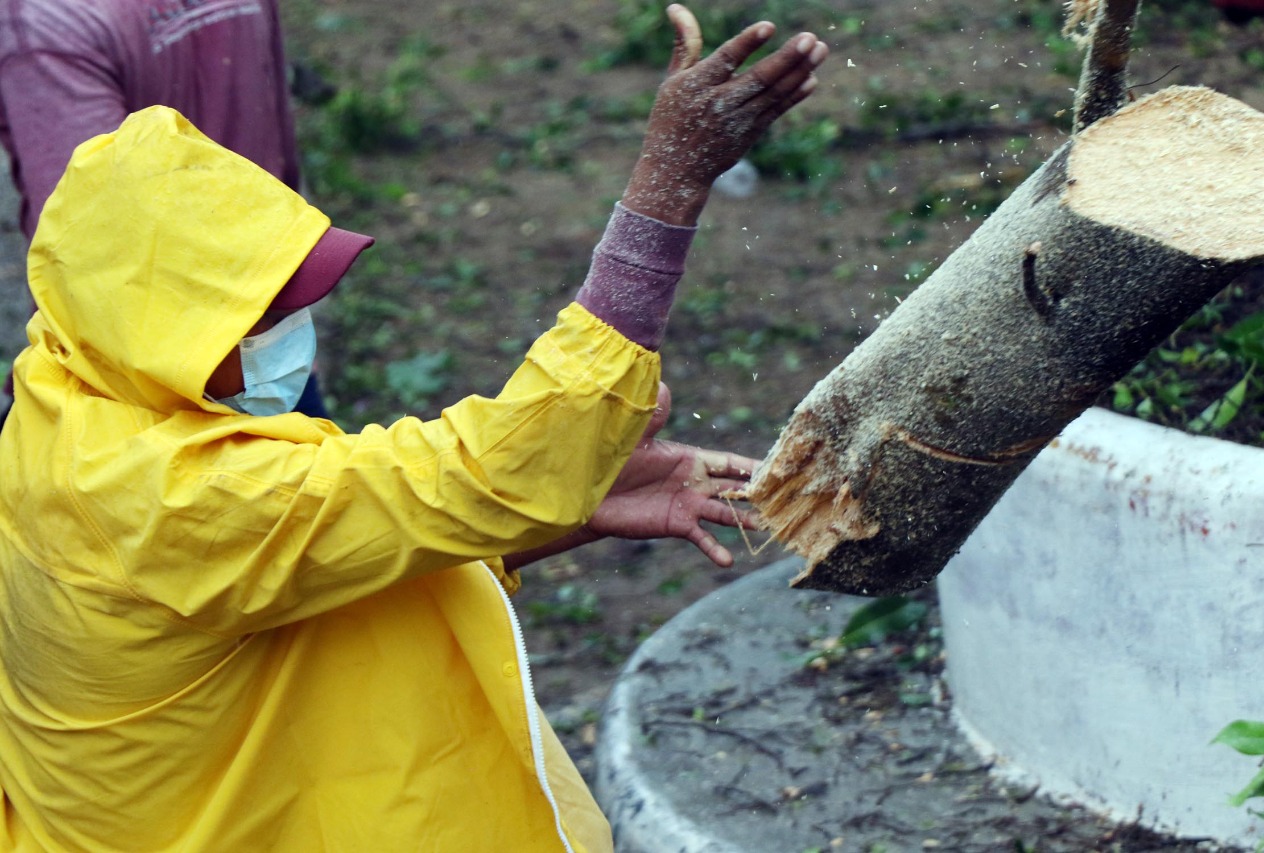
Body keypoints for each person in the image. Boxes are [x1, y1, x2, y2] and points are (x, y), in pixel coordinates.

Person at [0, 6, 828, 851]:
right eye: (262, 318)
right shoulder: (175, 500)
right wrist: (669, 182)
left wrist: (561, 511)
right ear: (160, 332)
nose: (297, 331)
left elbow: (289, 570)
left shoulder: (65, 388)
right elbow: (483, 467)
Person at [0, 0, 324, 416]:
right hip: (268, 342)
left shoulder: (45, 19)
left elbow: (90, 232)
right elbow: (279, 139)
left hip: (142, 386)